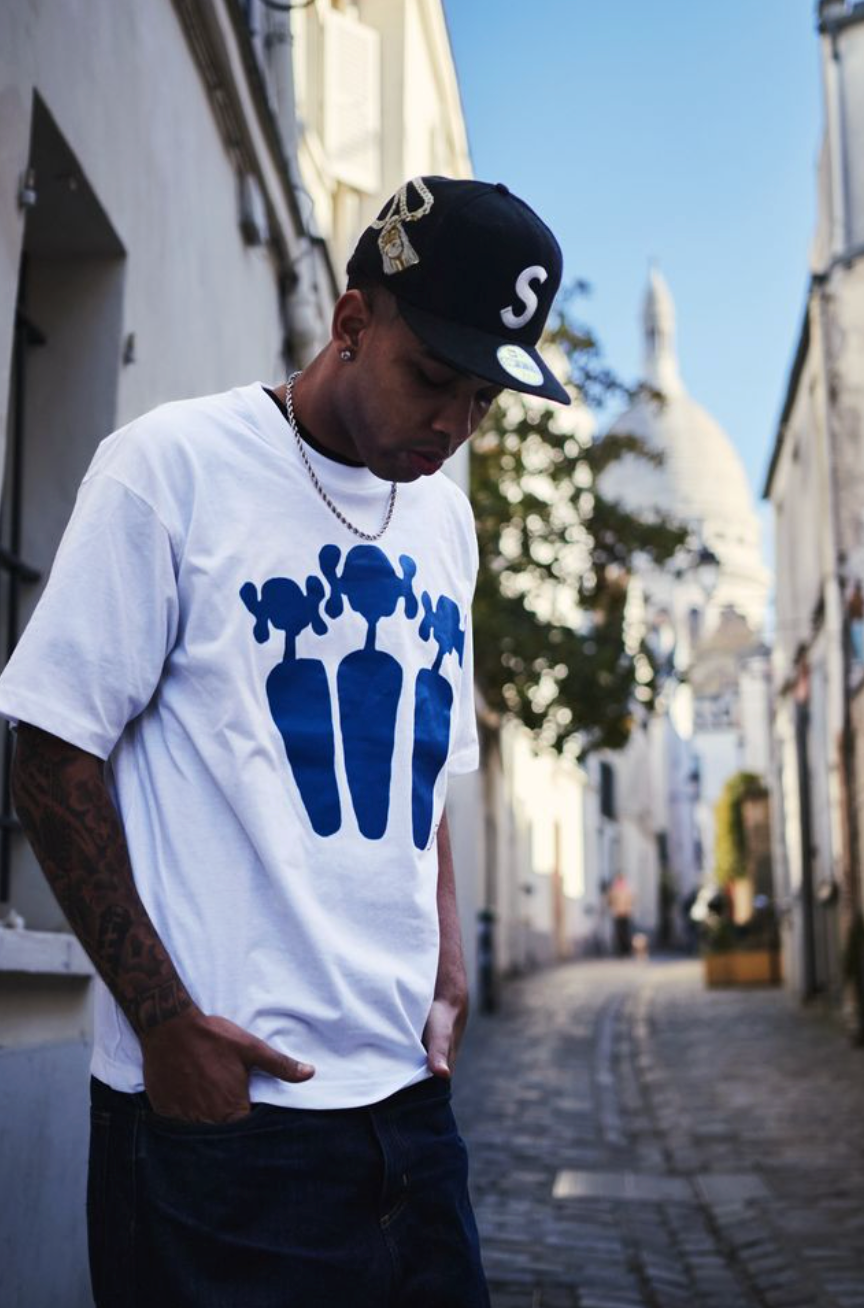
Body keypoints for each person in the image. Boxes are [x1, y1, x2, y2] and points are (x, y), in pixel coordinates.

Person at [0, 174, 569, 1306]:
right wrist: (167, 1030)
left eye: (484, 399)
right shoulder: (172, 468)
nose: (455, 425)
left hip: (410, 1115)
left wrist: (448, 967)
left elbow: (427, 769)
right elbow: (50, 751)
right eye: (434, 379)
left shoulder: (446, 519)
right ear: (352, 322)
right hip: (229, 1125)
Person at [608, 872, 635, 957]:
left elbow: (631, 900)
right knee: (618, 933)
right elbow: (610, 900)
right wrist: (613, 908)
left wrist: (628, 909)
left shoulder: (627, 890)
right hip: (617, 914)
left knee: (626, 933)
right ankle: (619, 951)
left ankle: (626, 950)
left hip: (625, 914)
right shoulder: (614, 890)